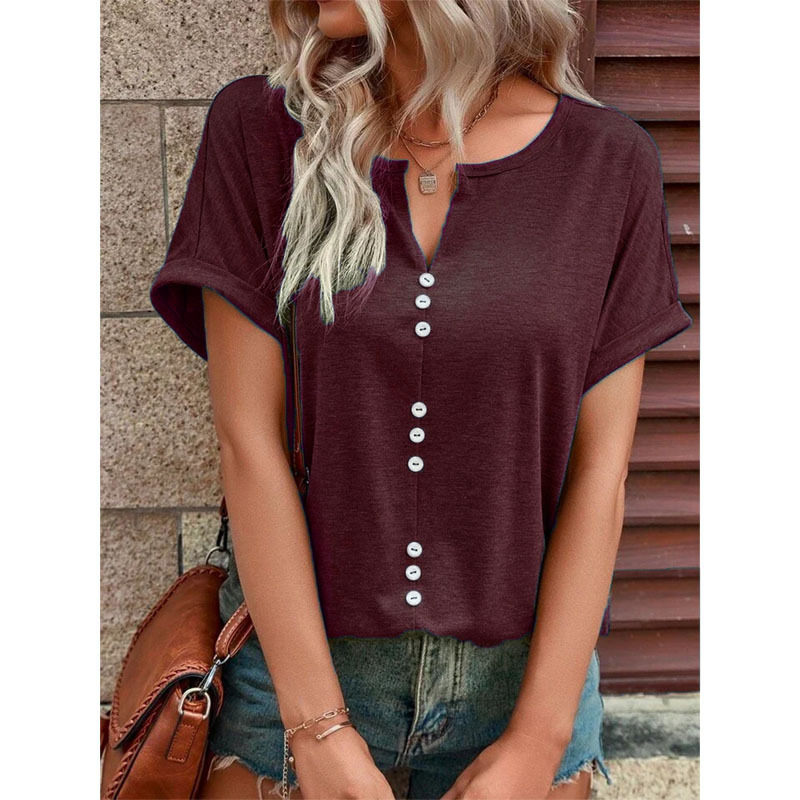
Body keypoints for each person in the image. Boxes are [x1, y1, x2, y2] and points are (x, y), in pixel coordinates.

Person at [150, 1, 692, 798]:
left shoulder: (607, 163)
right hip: (298, 677)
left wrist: (539, 738)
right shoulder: (261, 132)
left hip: (527, 684)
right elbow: (248, 443)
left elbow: (599, 474)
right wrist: (317, 727)